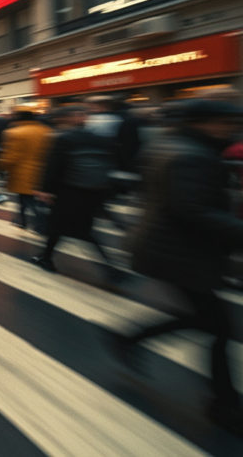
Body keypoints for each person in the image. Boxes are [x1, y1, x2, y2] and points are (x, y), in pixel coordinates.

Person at [115, 99, 243, 434]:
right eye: (226, 122)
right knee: (219, 328)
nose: (231, 129)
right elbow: (192, 210)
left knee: (208, 321)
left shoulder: (173, 144)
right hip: (179, 252)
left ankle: (130, 339)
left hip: (169, 248)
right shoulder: (191, 155)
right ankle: (223, 406)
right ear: (205, 122)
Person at [31, 106, 120, 278]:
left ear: (66, 118)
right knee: (82, 229)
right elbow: (113, 165)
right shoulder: (102, 139)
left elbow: (53, 166)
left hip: (68, 192)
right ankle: (109, 266)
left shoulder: (65, 138)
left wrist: (45, 190)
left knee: (57, 227)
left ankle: (46, 259)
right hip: (94, 193)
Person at [0, 110, 53, 231]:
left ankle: (42, 224)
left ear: (18, 119)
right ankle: (21, 220)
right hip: (43, 171)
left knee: (27, 199)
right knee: (26, 199)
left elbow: (11, 157)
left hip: (22, 173)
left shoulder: (14, 133)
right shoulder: (46, 130)